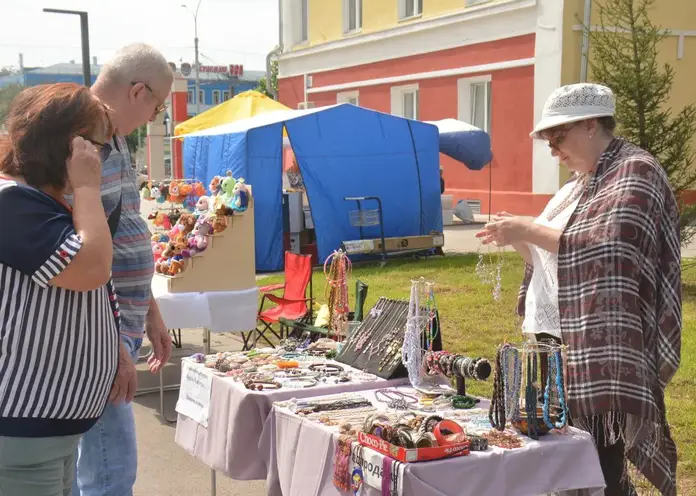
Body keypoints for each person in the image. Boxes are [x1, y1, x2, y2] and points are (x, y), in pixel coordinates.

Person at [476, 83, 680, 495]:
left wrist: (529, 227)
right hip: (556, 340)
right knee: (564, 458)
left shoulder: (636, 170)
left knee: (601, 461)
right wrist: (516, 236)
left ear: (590, 125)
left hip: (604, 346)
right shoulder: (576, 186)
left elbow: (610, 247)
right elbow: (551, 267)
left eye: (557, 138)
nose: (553, 150)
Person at [0, 83, 119, 495]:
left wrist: (113, 349)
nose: (98, 160)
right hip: (21, 434)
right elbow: (91, 267)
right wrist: (87, 188)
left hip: (45, 432)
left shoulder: (35, 202)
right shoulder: (11, 203)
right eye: (96, 147)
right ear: (68, 146)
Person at [72, 43, 174, 496]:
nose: (156, 116)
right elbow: (80, 260)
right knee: (109, 472)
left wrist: (149, 313)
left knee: (103, 465)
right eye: (159, 104)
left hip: (118, 327)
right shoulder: (81, 144)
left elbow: (124, 226)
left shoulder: (112, 138)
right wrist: (111, 345)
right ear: (138, 91)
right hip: (97, 334)